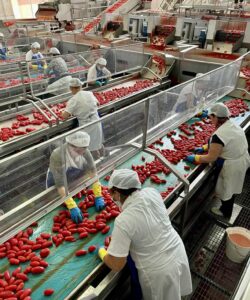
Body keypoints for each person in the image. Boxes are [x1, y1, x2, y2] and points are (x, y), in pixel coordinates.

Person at [98, 169, 192, 300]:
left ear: (117, 192)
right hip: (177, 251)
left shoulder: (124, 220)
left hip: (159, 272)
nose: (112, 198)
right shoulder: (151, 192)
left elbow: (117, 264)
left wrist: (102, 253)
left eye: (112, 193)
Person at [186, 103, 250, 218]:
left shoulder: (219, 134)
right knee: (232, 187)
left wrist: (195, 158)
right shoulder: (230, 124)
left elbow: (211, 157)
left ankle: (225, 212)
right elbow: (224, 143)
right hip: (241, 159)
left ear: (216, 117)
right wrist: (205, 147)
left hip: (232, 166)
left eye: (211, 117)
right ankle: (226, 207)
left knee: (227, 189)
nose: (209, 120)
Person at [46, 131, 105, 223]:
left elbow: (93, 173)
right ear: (69, 146)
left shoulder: (85, 152)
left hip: (72, 178)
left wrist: (98, 195)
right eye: (78, 151)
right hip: (56, 181)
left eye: (84, 150)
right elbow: (60, 184)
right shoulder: (57, 155)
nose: (82, 153)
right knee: (54, 203)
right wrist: (72, 206)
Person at [62, 78, 103, 159]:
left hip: (87, 126)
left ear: (71, 88)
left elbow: (64, 116)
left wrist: (63, 112)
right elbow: (98, 103)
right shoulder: (89, 93)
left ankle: (96, 164)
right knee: (98, 143)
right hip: (96, 121)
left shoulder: (73, 100)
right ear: (81, 86)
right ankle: (103, 159)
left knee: (89, 149)